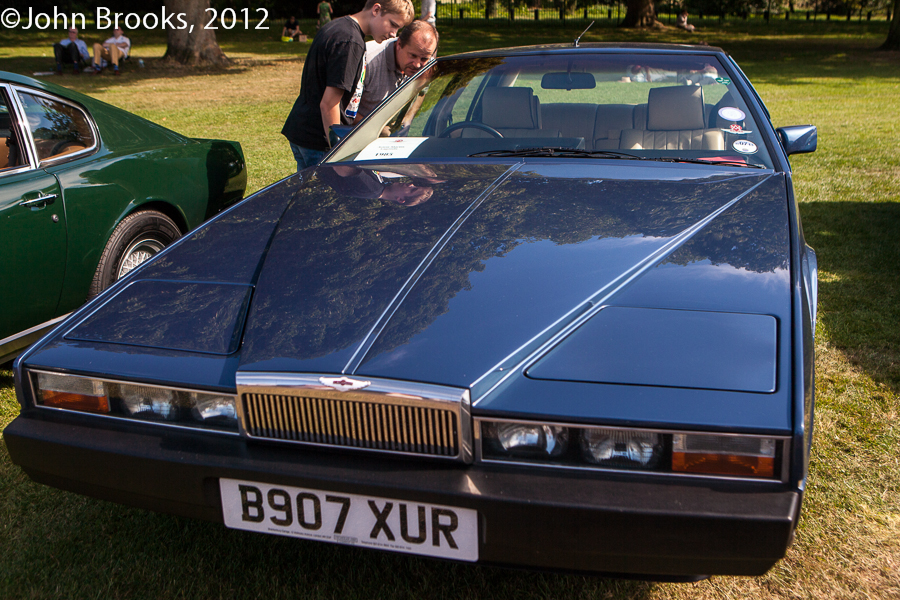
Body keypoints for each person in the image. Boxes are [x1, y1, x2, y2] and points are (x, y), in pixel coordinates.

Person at [282, 0, 414, 171]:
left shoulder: (337, 27)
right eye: (392, 24)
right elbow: (329, 104)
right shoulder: (351, 42)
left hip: (303, 132)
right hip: (319, 142)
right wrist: (338, 155)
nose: (393, 34)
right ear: (376, 9)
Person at [355, 20, 438, 122]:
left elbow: (421, 92)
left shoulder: (428, 65)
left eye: (424, 59)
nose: (417, 65)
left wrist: (408, 118)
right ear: (399, 44)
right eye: (413, 55)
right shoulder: (366, 60)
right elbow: (343, 108)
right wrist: (374, 129)